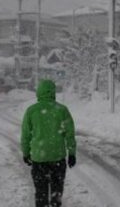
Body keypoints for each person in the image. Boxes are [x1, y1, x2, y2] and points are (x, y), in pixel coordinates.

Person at [21, 79, 76, 207]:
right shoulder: (62, 110)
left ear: (38, 92)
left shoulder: (32, 111)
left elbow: (25, 135)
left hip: (39, 159)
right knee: (56, 194)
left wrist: (26, 153)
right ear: (53, 92)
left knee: (41, 194)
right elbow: (70, 133)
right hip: (58, 158)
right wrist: (72, 153)